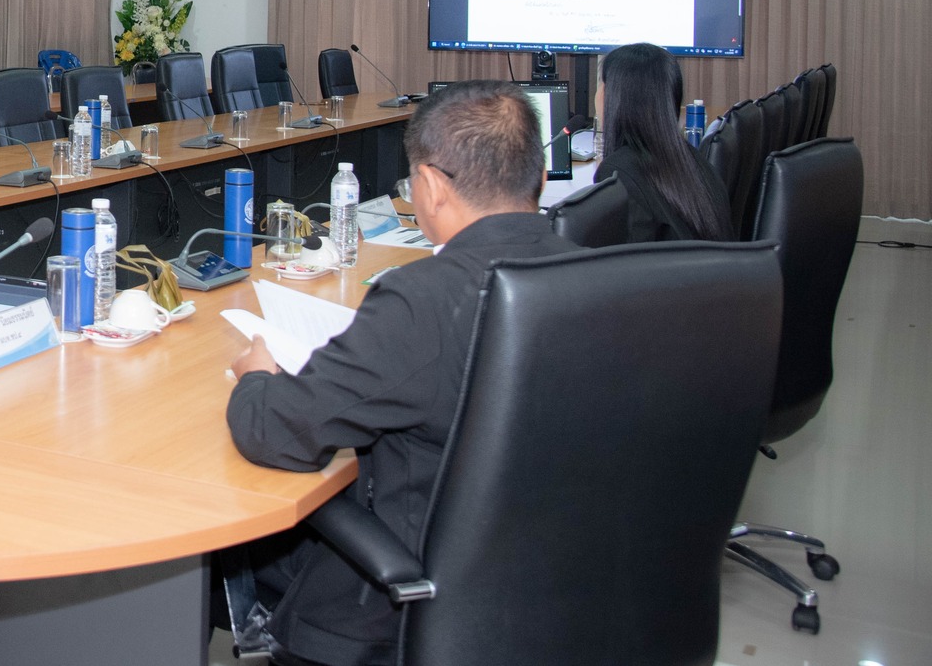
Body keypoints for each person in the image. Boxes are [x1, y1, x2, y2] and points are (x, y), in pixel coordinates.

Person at [218, 80, 576, 666]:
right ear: (537, 176)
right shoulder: (598, 273)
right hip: (563, 576)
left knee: (235, 546)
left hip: (418, 590)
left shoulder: (423, 299)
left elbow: (278, 433)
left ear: (431, 187)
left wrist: (257, 376)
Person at [594, 41, 735, 241]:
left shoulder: (618, 172)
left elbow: (620, 257)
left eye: (601, 84)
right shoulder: (695, 162)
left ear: (613, 97)